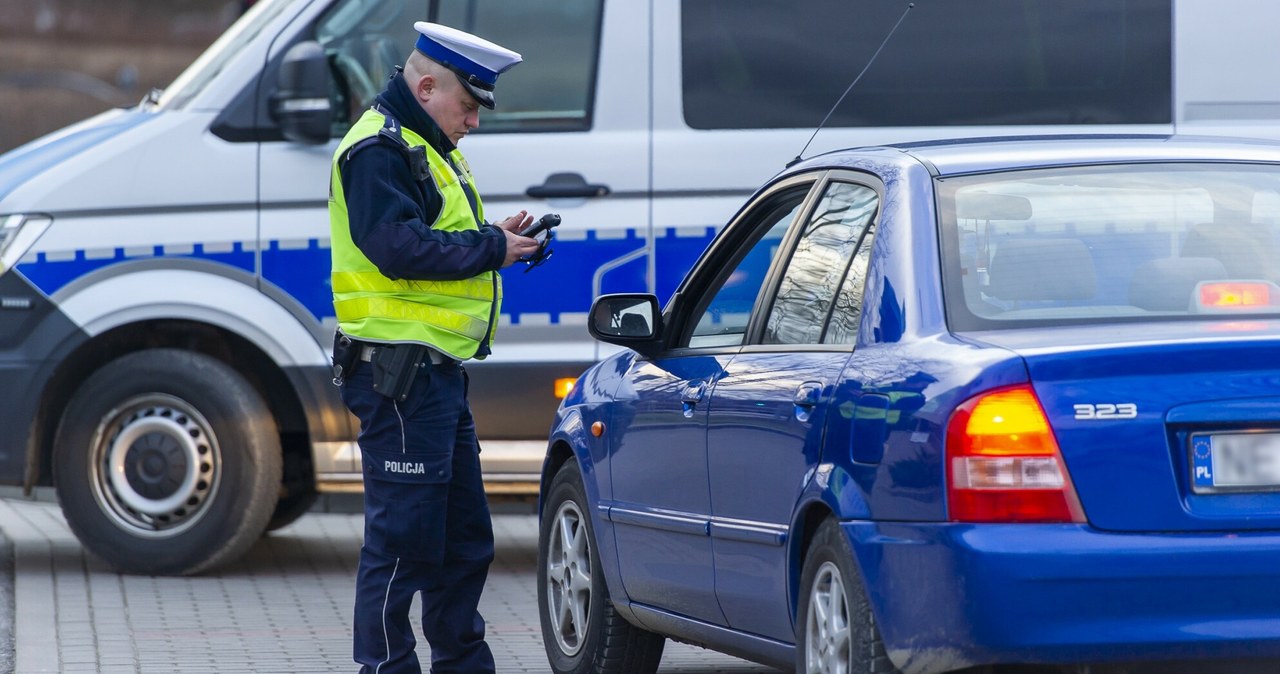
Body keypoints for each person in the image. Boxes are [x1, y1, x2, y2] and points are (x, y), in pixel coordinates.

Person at [327, 21, 539, 674]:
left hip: (433, 379)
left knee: (463, 542)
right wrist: (490, 248)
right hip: (400, 381)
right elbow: (396, 248)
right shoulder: (380, 150)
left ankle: (462, 665)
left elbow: (429, 234)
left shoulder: (423, 144)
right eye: (468, 106)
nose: (473, 121)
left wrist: (491, 236)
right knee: (402, 548)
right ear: (425, 86)